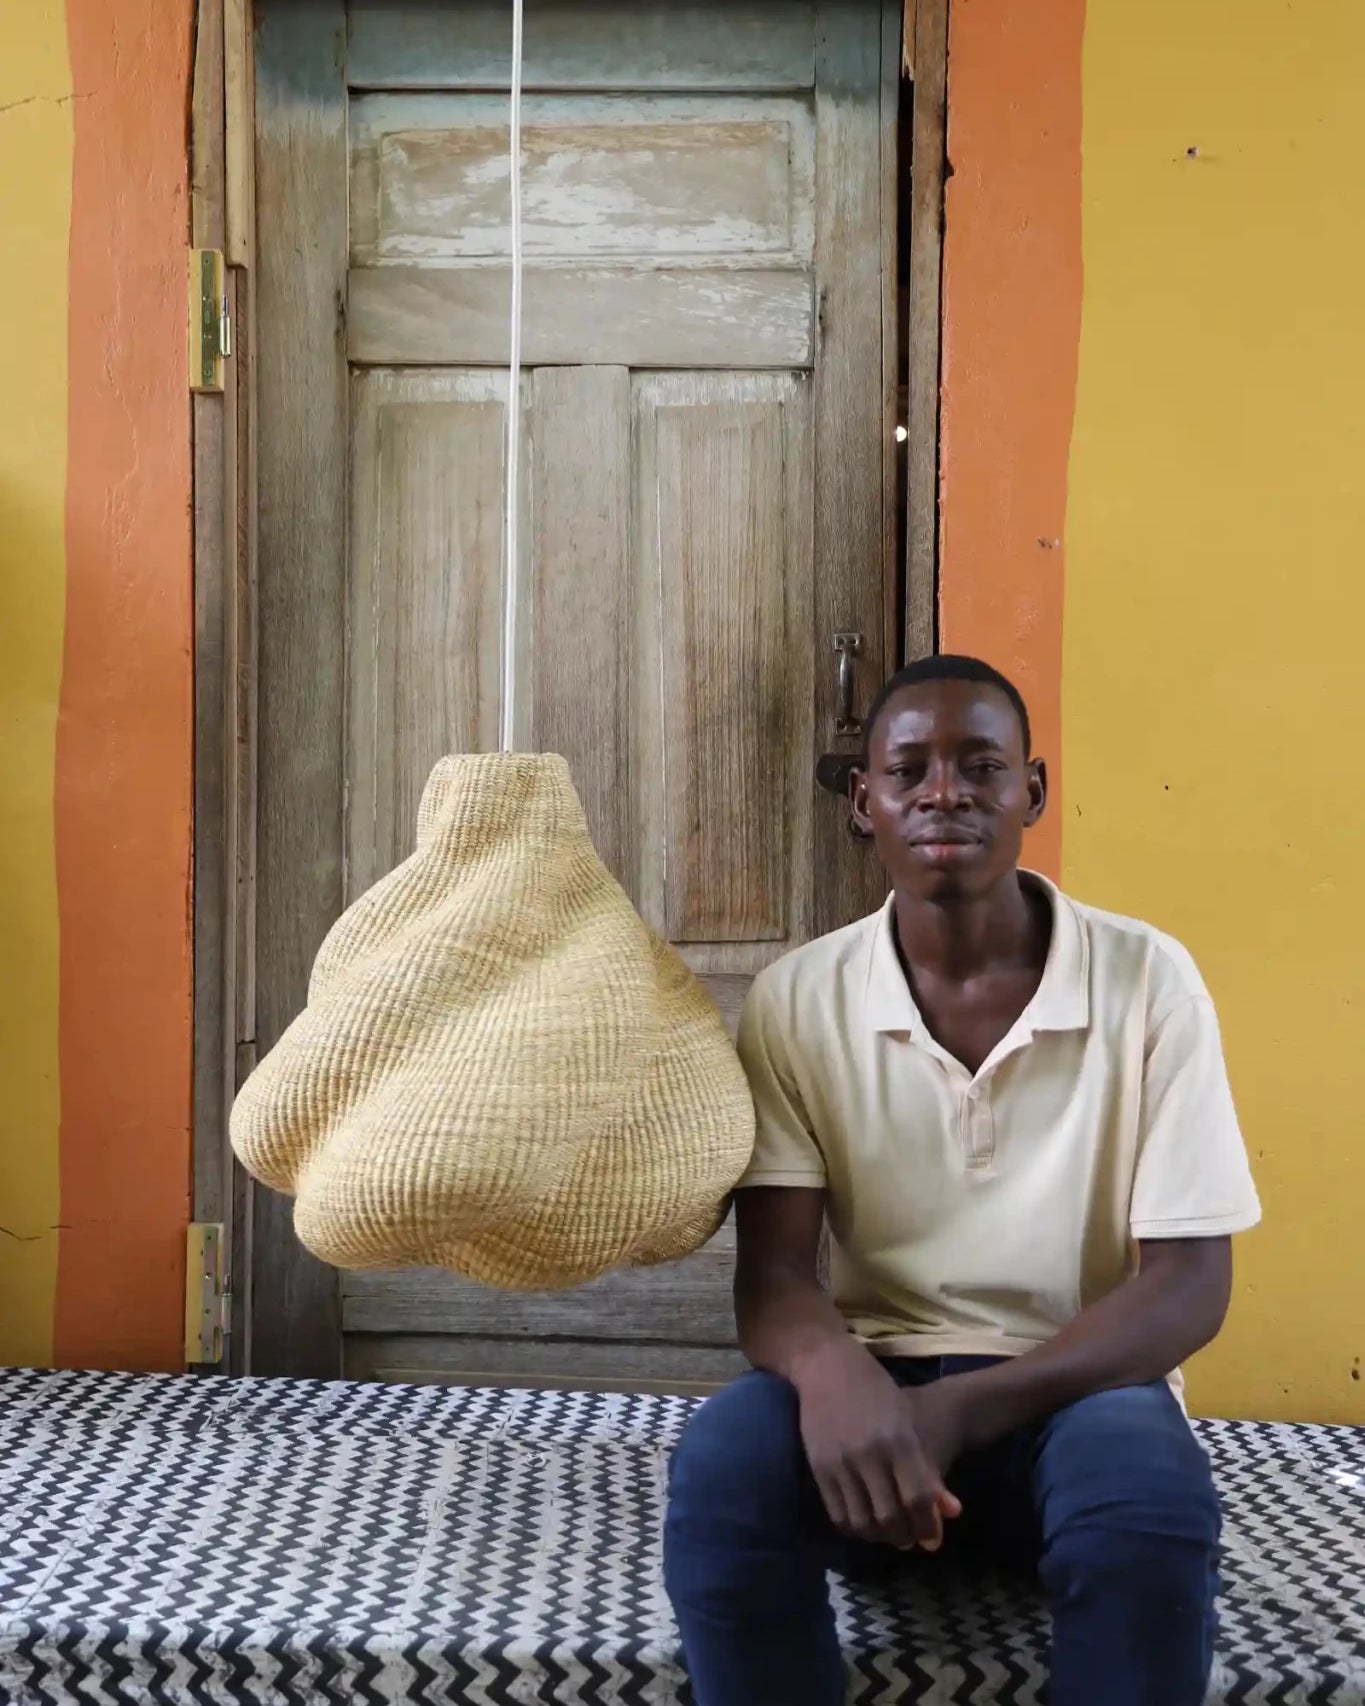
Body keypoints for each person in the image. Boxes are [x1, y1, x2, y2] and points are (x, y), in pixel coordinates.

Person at [663, 654, 1261, 1706]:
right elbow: (773, 1271)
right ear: (867, 802)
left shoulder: (1146, 979)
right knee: (723, 1466)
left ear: (1031, 790)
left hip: (1080, 1391)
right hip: (879, 1420)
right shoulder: (800, 997)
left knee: (1147, 1513)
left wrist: (970, 1409)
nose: (946, 791)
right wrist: (841, 1379)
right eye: (911, 769)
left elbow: (1188, 1283)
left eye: (981, 765)